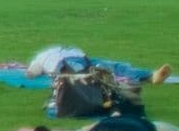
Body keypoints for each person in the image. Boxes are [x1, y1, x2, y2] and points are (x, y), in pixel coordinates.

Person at [26, 45, 170, 83]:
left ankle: (151, 76)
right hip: (67, 63)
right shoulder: (41, 57)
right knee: (109, 68)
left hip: (83, 59)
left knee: (116, 66)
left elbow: (34, 69)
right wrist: (31, 73)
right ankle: (149, 76)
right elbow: (34, 69)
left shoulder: (45, 55)